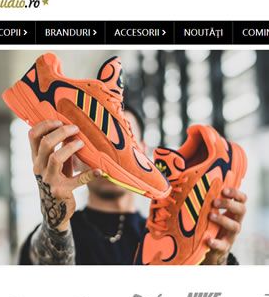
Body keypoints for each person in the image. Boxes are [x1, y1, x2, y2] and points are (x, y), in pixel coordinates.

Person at [18, 105, 247, 265]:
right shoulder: (55, 233)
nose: (112, 158)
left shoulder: (170, 237)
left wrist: (213, 261)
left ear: (144, 154)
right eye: (96, 143)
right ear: (75, 157)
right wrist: (55, 222)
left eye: (123, 145)